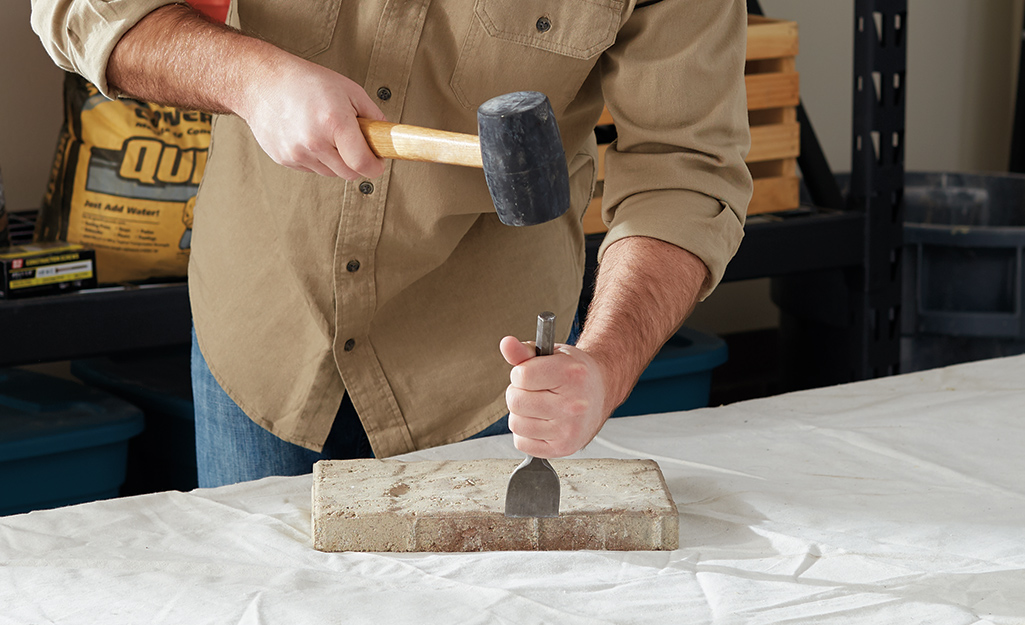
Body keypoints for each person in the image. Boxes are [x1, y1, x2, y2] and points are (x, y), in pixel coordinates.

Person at [31, 0, 752, 487]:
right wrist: (253, 78)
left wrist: (604, 365)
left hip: (483, 374)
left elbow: (683, 170)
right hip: (263, 337)